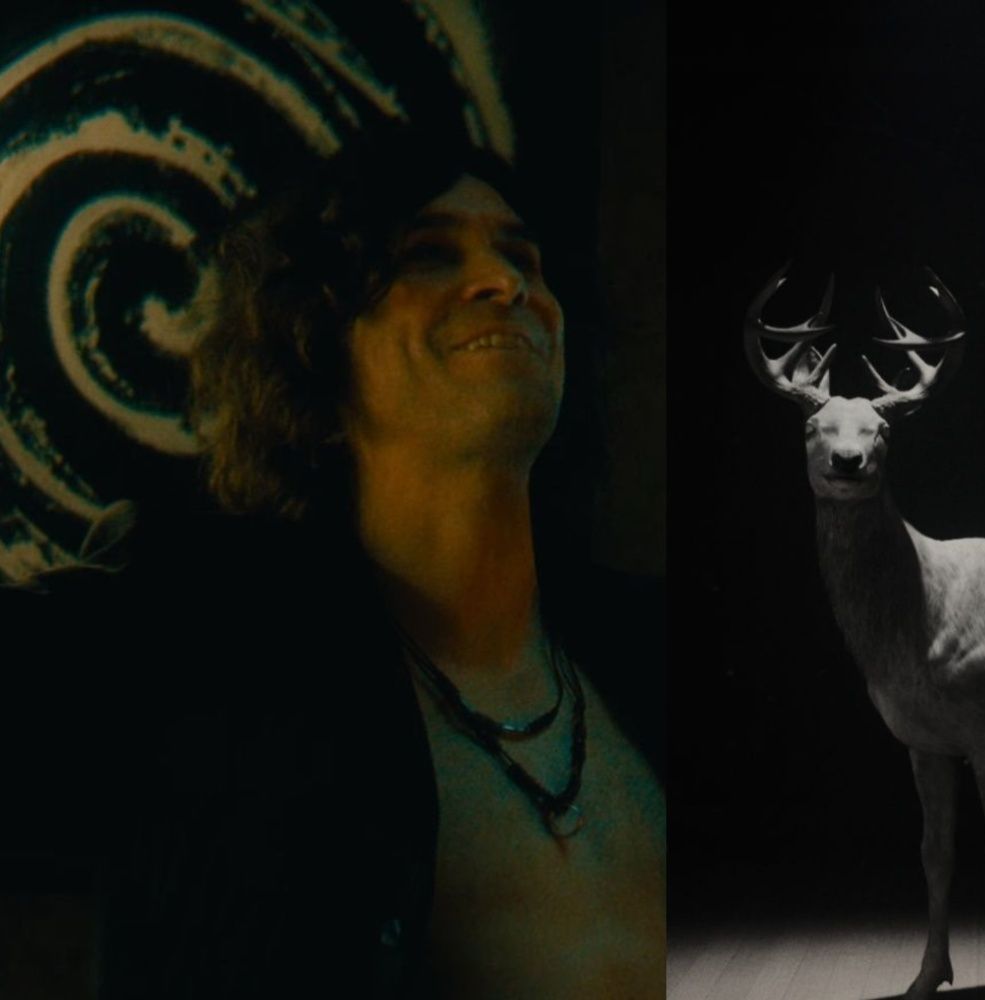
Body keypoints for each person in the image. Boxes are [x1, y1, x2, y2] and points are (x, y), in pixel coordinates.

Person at [0, 131, 665, 998]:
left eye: (524, 258)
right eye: (428, 254)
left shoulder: (649, 648)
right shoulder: (203, 644)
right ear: (316, 343)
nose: (508, 284)